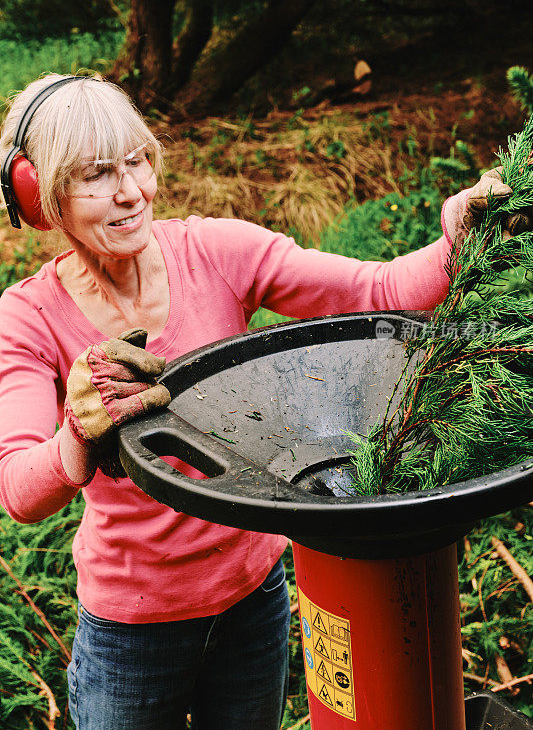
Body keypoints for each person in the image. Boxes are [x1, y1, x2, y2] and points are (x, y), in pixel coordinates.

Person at [0, 74, 519, 730]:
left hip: (255, 603)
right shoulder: (27, 316)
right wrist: (76, 428)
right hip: (131, 631)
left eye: (137, 161)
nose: (131, 191)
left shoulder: (214, 252)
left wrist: (455, 238)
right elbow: (18, 489)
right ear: (40, 194)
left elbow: (375, 288)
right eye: (97, 174)